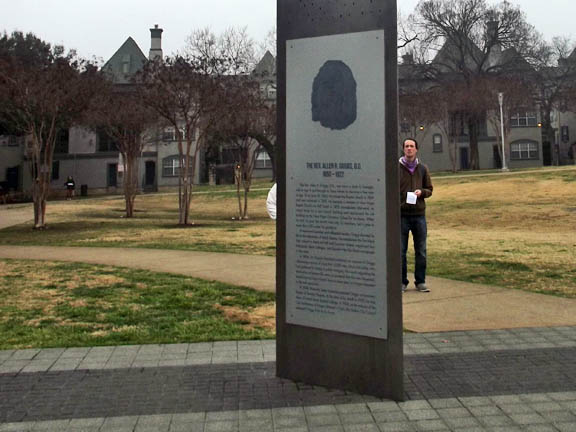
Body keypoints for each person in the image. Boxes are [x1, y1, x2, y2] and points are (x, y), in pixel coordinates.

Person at [399, 138, 433, 293]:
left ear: (416, 149)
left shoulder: (423, 169)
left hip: (419, 215)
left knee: (421, 250)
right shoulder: (396, 168)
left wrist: (422, 192)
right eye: (406, 146)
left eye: (411, 146)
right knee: (401, 251)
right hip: (402, 216)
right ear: (403, 149)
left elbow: (430, 189)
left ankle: (420, 281)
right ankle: (402, 282)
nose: (409, 149)